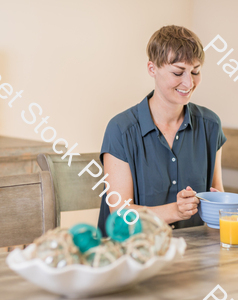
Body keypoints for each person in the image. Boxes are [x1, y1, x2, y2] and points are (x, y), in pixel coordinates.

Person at [97, 25, 226, 236]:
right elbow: (121, 215)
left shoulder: (210, 125)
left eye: (195, 71)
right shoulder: (121, 129)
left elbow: (216, 194)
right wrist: (176, 211)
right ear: (152, 69)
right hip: (131, 254)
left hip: (191, 254)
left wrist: (228, 208)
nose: (189, 82)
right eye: (178, 72)